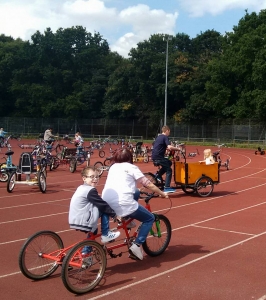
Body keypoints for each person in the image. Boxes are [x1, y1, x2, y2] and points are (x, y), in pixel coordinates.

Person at [102, 148, 169, 261]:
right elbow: (148, 184)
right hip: (124, 203)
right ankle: (136, 245)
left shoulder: (113, 167)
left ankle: (127, 219)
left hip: (106, 202)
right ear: (130, 158)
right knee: (149, 218)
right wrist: (162, 193)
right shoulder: (132, 167)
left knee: (137, 192)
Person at [68, 166, 120, 249]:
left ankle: (86, 253)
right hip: (83, 219)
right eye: (92, 177)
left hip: (75, 218)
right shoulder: (90, 190)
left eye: (97, 176)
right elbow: (102, 204)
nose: (95, 179)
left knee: (93, 230)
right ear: (84, 178)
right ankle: (106, 234)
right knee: (104, 210)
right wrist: (114, 215)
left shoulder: (81, 188)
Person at [152, 125, 182, 193]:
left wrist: (168, 148)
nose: (169, 133)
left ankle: (158, 175)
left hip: (155, 156)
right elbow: (169, 147)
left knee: (169, 162)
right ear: (167, 131)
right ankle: (167, 187)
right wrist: (178, 149)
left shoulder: (159, 137)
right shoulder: (165, 137)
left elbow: (161, 146)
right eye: (169, 132)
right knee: (169, 170)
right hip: (159, 157)